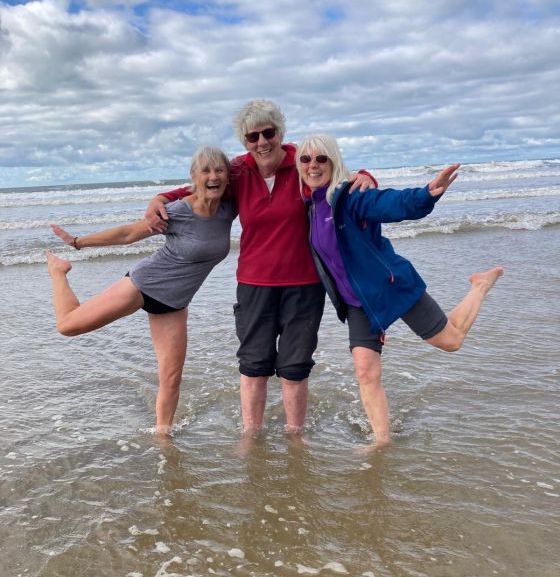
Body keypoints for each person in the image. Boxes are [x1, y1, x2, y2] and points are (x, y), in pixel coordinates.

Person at [145, 99, 377, 435]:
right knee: (253, 366)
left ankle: (295, 435)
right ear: (245, 142)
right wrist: (160, 199)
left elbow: (338, 174)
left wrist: (367, 176)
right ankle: (250, 435)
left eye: (268, 133)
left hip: (304, 285)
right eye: (252, 137)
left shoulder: (302, 161)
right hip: (254, 285)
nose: (262, 142)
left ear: (280, 133)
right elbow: (197, 189)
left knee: (295, 367)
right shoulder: (238, 171)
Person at [296, 134, 504, 448]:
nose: (313, 166)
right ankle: (382, 440)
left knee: (452, 341)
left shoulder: (350, 196)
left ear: (334, 161)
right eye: (306, 159)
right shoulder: (310, 204)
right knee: (366, 371)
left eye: (321, 159)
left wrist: (426, 195)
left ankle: (479, 286)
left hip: (390, 286)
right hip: (360, 303)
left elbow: (389, 204)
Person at [46, 146, 236, 437]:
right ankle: (58, 271)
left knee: (171, 378)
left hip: (174, 303)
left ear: (227, 176)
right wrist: (77, 241)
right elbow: (128, 234)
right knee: (67, 326)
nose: (213, 176)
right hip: (143, 284)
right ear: (194, 177)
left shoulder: (228, 209)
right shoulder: (177, 212)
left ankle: (163, 437)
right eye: (206, 171)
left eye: (219, 170)